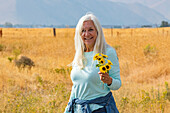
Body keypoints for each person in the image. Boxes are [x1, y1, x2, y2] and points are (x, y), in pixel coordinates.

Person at [64, 13, 121, 113]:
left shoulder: (108, 52)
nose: (86, 34)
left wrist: (109, 81)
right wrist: (68, 110)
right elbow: (76, 87)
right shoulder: (79, 54)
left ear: (98, 31)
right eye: (83, 31)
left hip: (100, 109)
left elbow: (117, 84)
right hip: (78, 109)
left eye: (90, 30)